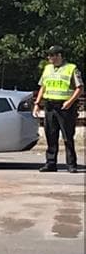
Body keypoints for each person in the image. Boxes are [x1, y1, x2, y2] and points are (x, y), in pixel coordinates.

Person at [33, 45, 82, 174]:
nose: (49, 58)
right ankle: (50, 163)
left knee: (67, 137)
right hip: (50, 106)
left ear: (59, 56)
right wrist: (38, 103)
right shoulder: (47, 69)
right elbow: (43, 86)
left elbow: (79, 87)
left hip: (65, 107)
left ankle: (71, 164)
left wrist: (70, 102)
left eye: (52, 55)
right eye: (49, 55)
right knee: (50, 135)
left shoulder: (71, 68)